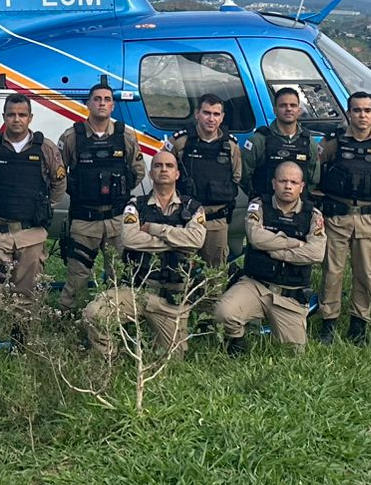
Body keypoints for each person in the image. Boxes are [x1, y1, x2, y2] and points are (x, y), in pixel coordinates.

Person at [82, 149, 207, 359]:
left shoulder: (193, 207)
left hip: (171, 298)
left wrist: (156, 229)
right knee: (93, 314)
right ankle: (109, 358)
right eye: (158, 166)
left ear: (177, 174)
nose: (163, 170)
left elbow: (196, 241)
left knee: (173, 360)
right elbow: (130, 239)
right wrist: (177, 241)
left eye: (169, 166)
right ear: (151, 174)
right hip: (137, 292)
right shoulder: (135, 205)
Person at [0, 93, 67, 351]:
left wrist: (44, 208)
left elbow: (59, 183)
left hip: (31, 234)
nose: (16, 119)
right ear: (4, 117)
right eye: (11, 114)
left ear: (30, 118)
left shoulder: (45, 147)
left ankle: (19, 345)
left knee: (25, 294)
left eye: (22, 115)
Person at [311, 91, 371, 347]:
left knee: (365, 275)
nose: (362, 115)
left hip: (370, 221)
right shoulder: (332, 143)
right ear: (349, 113)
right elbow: (316, 178)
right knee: (332, 273)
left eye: (367, 110)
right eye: (357, 110)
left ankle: (359, 326)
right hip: (336, 218)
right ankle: (329, 323)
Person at [213, 161, 325, 352]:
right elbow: (256, 238)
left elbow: (316, 253)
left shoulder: (312, 215)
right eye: (283, 181)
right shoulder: (258, 206)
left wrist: (274, 250)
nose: (288, 186)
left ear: (302, 186)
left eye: (293, 182)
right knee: (223, 313)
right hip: (255, 285)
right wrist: (295, 243)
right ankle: (237, 343)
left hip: (289, 294)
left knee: (294, 353)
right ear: (274, 183)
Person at [58, 82, 145, 312]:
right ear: (88, 104)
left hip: (117, 220)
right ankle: (71, 321)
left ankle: (115, 320)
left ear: (113, 105)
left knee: (118, 277)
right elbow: (58, 173)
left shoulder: (124, 136)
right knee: (77, 278)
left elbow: (138, 171)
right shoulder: (72, 137)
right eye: (97, 99)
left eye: (106, 99)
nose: (102, 103)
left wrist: (120, 193)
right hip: (84, 220)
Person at [166, 92, 244, 272]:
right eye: (206, 113)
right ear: (196, 114)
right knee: (179, 271)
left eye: (216, 114)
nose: (211, 118)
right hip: (184, 218)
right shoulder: (180, 142)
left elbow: (237, 177)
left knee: (214, 274)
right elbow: (163, 173)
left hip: (216, 220)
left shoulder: (230, 145)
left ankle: (210, 301)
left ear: (222, 117)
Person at [241, 86, 319, 205]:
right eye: (283, 105)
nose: (288, 109)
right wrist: (258, 197)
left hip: (298, 212)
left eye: (293, 105)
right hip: (264, 209)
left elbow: (313, 179)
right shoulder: (259, 140)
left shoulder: (309, 143)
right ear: (275, 110)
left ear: (299, 110)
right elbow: (244, 177)